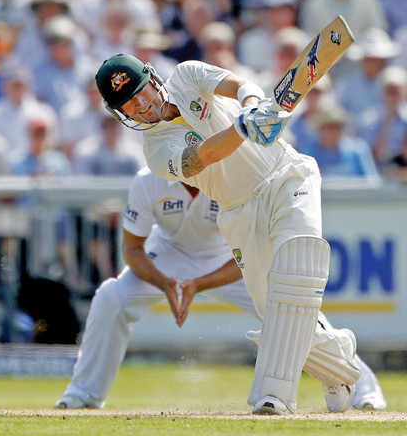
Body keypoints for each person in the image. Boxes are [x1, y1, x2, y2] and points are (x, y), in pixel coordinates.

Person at [94, 53, 361, 414]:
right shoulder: (155, 151)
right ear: (122, 114)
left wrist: (253, 106)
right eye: (130, 104)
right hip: (238, 212)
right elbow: (202, 156)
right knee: (277, 310)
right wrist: (241, 128)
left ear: (153, 79)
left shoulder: (187, 76)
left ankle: (273, 397)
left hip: (286, 175)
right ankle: (338, 368)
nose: (143, 104)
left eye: (141, 92)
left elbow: (240, 85)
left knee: (298, 264)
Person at [54, 168, 386, 411]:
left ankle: (363, 389)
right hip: (167, 256)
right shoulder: (148, 179)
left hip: (231, 257)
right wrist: (166, 283)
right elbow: (133, 249)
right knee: (111, 297)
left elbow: (251, 249)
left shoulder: (233, 176)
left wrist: (199, 284)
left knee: (291, 307)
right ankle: (83, 393)